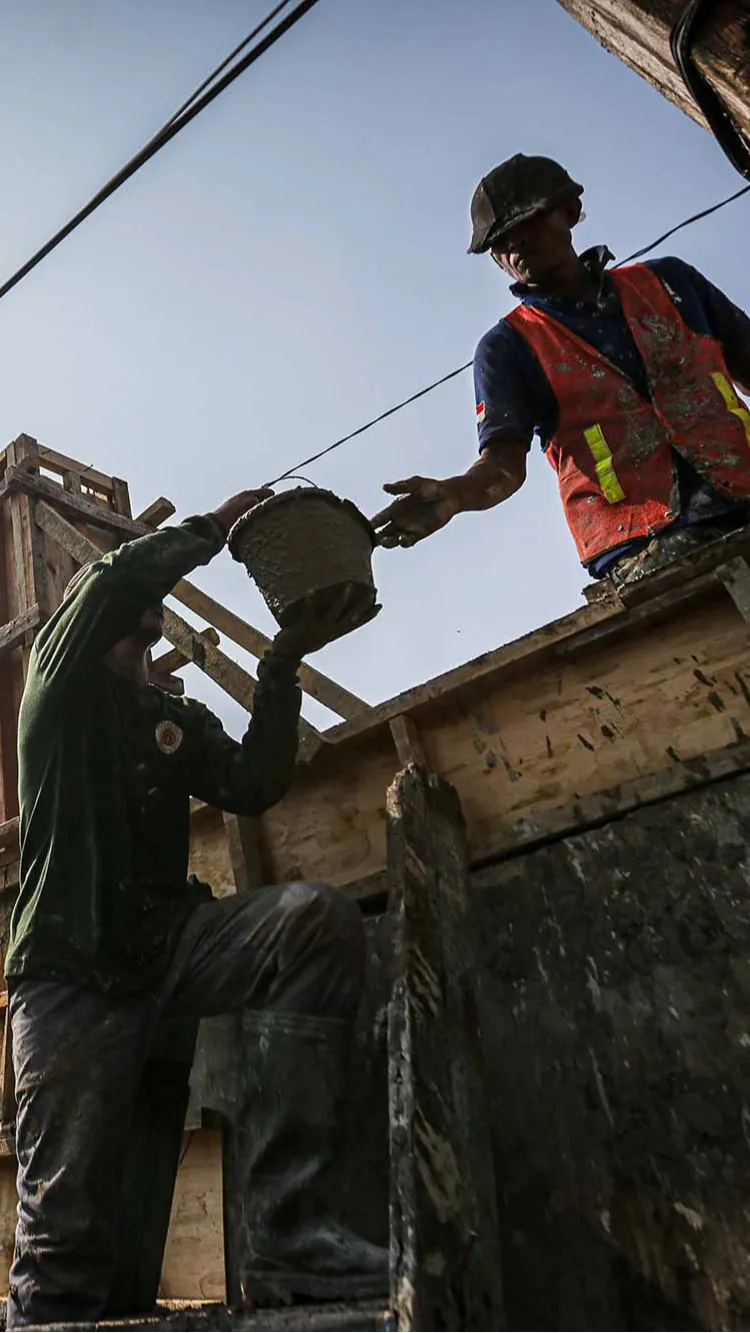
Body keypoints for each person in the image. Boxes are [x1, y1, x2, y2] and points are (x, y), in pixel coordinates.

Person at [4, 490, 387, 1327]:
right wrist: (210, 528)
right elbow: (109, 579)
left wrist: (280, 670)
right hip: (69, 970)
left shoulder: (172, 717)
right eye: (123, 591)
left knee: (313, 924)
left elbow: (254, 782)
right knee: (69, 1252)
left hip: (165, 948)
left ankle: (290, 1236)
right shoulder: (58, 684)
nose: (141, 599)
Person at [373, 153, 750, 586]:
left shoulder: (671, 283)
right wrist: (454, 495)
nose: (515, 246)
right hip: (644, 542)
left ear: (568, 213)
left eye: (525, 225)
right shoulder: (508, 347)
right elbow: (501, 467)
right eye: (500, 242)